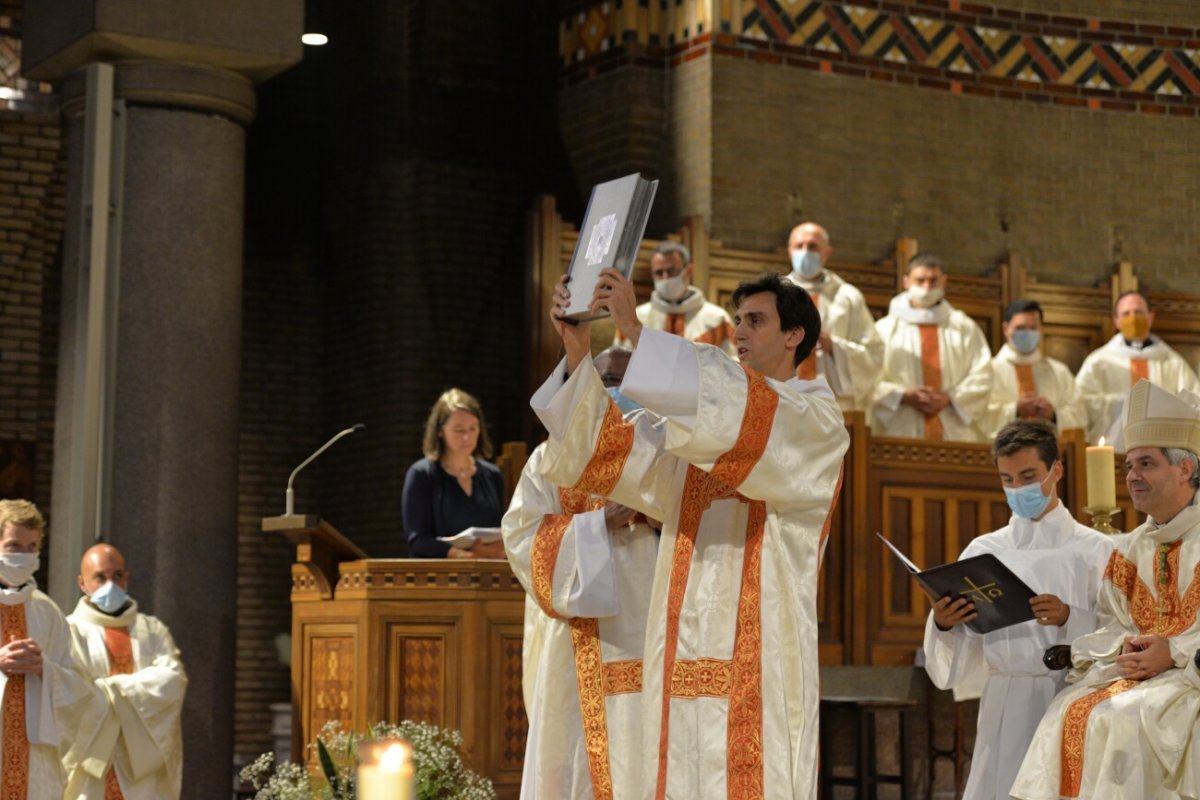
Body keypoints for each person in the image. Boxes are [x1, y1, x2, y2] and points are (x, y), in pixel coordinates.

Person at [539, 267, 848, 798]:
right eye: (737, 321)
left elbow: (744, 411)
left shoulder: (815, 419)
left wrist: (637, 335)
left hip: (762, 653)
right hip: (681, 649)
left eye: (756, 320)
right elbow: (609, 456)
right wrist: (576, 352)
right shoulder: (699, 428)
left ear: (795, 335)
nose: (740, 333)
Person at [1011, 380, 1200, 800]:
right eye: (1129, 466)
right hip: (1139, 676)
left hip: (1189, 676)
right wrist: (1126, 649)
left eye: (1146, 464)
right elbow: (1111, 620)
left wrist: (1173, 651)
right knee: (1067, 712)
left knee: (1126, 718)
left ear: (1185, 469)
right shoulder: (1131, 548)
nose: (1132, 476)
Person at [922, 420, 1113, 800]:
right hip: (1003, 699)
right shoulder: (984, 551)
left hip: (1063, 695)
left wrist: (1069, 617)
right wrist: (944, 624)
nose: (1018, 489)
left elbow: (1122, 629)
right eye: (1007, 480)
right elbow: (957, 660)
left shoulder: (1096, 549)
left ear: (1056, 470)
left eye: (1028, 476)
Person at [503, 346, 659, 799]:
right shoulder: (550, 459)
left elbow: (707, 528)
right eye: (604, 381)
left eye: (623, 383)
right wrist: (598, 524)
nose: (614, 393)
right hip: (578, 643)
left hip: (649, 631)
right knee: (572, 750)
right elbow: (522, 539)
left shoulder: (662, 453)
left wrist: (658, 518)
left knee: (644, 744)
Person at [62, 543, 187, 799]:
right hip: (92, 760)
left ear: (127, 578)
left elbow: (173, 681)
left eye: (117, 575)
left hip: (140, 765)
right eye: (100, 577)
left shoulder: (152, 631)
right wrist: (133, 691)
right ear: (82, 583)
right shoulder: (69, 632)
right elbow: (71, 689)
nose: (111, 584)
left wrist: (108, 689)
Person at [0, 499, 96, 799]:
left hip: (35, 759)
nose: (24, 556)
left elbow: (81, 686)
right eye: (14, 546)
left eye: (32, 547)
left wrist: (46, 669)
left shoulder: (47, 611)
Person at [870, 253, 992, 441]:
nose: (926, 288)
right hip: (899, 434)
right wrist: (903, 395)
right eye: (920, 281)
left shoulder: (964, 328)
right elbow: (866, 378)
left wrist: (950, 398)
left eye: (933, 281)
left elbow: (982, 374)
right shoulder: (884, 330)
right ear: (906, 282)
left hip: (954, 432)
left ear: (944, 281)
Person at [1075, 291, 1200, 445]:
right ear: (1116, 320)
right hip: (1114, 450)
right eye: (1126, 313)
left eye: (1138, 312)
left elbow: (1194, 401)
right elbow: (1081, 402)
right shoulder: (1098, 361)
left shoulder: (1172, 362)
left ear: (1150, 317)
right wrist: (1122, 404)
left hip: (1163, 448)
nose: (1133, 318)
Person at [784, 222, 883, 412]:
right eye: (799, 246)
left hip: (832, 407)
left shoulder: (848, 297)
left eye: (812, 246)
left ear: (827, 252)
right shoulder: (773, 295)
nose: (805, 252)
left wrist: (834, 347)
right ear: (789, 251)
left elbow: (874, 355)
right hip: (782, 402)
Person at [402, 388, 507, 558]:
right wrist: (464, 556)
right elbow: (418, 542)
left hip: (488, 572)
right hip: (440, 577)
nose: (467, 437)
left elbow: (500, 531)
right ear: (439, 431)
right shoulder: (421, 475)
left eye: (473, 428)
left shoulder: (493, 475)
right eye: (459, 430)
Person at [981, 299, 1087, 438]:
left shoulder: (1059, 372)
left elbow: (1080, 416)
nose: (1027, 333)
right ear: (1005, 329)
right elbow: (976, 417)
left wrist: (1054, 415)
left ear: (1041, 329)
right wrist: (1015, 410)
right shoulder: (987, 372)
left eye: (1033, 328)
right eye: (1021, 328)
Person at [612, 241, 736, 356]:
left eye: (671, 271)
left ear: (689, 271)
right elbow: (618, 366)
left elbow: (732, 368)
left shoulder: (717, 319)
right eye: (659, 273)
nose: (665, 278)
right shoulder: (635, 318)